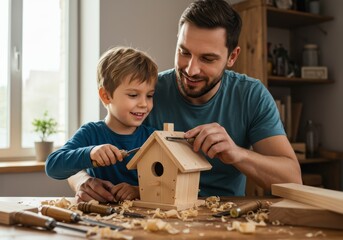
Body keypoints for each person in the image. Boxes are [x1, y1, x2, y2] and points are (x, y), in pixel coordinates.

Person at [68, 0, 302, 202]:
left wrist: (237, 154)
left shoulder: (251, 95)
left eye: (207, 58)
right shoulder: (149, 91)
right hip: (158, 214)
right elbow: (93, 143)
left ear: (232, 57)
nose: (191, 69)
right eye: (184, 52)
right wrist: (83, 181)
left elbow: (292, 179)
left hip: (225, 216)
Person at [45, 46, 158, 202]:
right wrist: (90, 153)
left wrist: (137, 190)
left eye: (150, 95)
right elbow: (52, 166)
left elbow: (167, 184)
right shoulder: (91, 133)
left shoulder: (153, 137)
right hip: (100, 218)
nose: (144, 104)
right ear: (106, 96)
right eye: (133, 95)